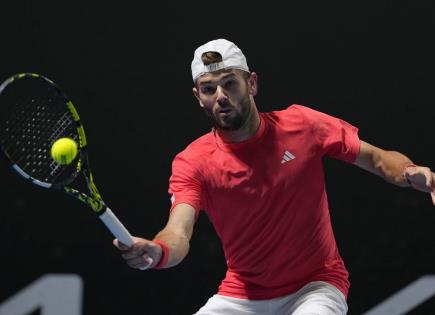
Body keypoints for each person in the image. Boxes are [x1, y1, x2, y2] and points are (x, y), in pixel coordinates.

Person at [113, 39, 435, 315]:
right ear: (198, 97)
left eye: (230, 83)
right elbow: (178, 233)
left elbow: (378, 159)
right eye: (209, 89)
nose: (221, 95)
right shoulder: (193, 162)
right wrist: (157, 251)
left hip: (315, 287)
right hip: (241, 296)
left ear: (252, 83)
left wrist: (409, 172)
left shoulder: (303, 125)